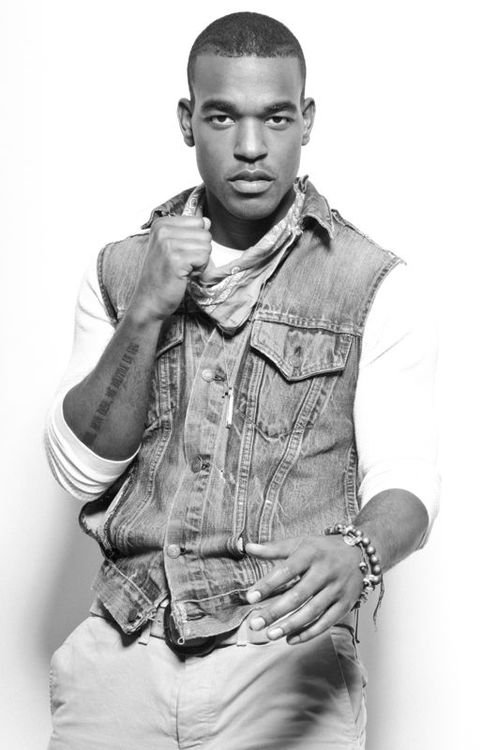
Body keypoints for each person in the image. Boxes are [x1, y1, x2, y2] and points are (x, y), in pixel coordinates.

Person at [45, 11, 439, 750]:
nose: (251, 147)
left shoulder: (372, 283)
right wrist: (147, 310)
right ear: (187, 120)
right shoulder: (120, 269)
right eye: (223, 117)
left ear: (306, 120)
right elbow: (79, 471)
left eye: (275, 118)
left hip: (283, 653)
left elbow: (408, 482)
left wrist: (359, 551)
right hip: (125, 647)